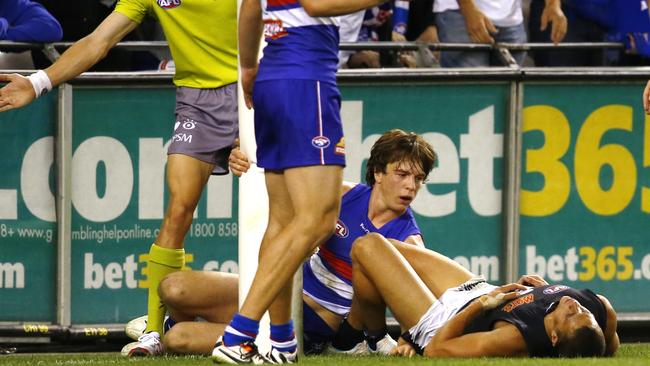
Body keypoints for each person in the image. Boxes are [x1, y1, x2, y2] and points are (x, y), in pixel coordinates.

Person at [0, 0, 237, 357]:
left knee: (275, 205)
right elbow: (99, 41)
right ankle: (156, 332)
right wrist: (37, 83)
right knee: (179, 208)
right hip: (197, 102)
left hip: (255, 90)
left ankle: (297, 321)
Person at [124, 129, 437, 358]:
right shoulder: (343, 195)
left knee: (180, 339)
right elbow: (280, 189)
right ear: (378, 172)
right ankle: (171, 323)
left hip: (311, 324)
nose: (411, 186)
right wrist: (244, 163)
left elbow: (421, 302)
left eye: (418, 179)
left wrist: (410, 338)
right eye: (402, 174)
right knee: (173, 287)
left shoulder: (408, 238)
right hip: (281, 289)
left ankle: (169, 330)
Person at [215, 0, 400, 363]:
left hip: (274, 71)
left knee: (283, 222)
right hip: (307, 75)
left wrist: (249, 66)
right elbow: (316, 5)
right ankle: (240, 332)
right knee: (316, 220)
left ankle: (282, 342)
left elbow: (251, 6)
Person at [343, 233, 619, 358]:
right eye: (585, 314)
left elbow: (438, 350)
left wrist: (481, 306)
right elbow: (608, 346)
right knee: (391, 246)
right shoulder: (600, 310)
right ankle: (385, 337)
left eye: (571, 315)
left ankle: (374, 340)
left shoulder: (515, 339)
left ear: (554, 338)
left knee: (368, 247)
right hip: (475, 288)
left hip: (443, 320)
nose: (576, 306)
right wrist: (539, 294)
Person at [433, 0, 566, 67]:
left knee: (508, 100)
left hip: (511, 19)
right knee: (471, 97)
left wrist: (553, 4)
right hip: (459, 13)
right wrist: (469, 10)